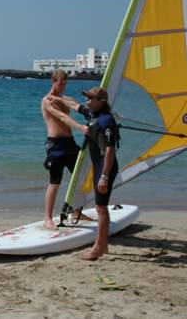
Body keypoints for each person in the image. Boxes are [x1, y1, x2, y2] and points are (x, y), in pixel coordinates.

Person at [44, 86, 119, 260]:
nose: (87, 101)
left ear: (101, 102)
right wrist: (59, 99)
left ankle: (99, 248)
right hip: (99, 166)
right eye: (87, 97)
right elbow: (76, 106)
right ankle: (103, 246)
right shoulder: (93, 115)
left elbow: (110, 151)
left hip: (105, 167)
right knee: (101, 207)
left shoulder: (106, 121)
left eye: (91, 98)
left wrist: (104, 176)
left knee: (101, 208)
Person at [39, 69, 81, 230]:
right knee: (55, 181)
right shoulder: (46, 101)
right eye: (60, 83)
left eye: (65, 83)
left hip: (70, 143)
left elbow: (76, 105)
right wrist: (81, 128)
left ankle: (76, 211)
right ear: (53, 81)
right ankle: (48, 218)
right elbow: (62, 117)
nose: (62, 86)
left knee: (79, 177)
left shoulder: (65, 99)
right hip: (55, 145)